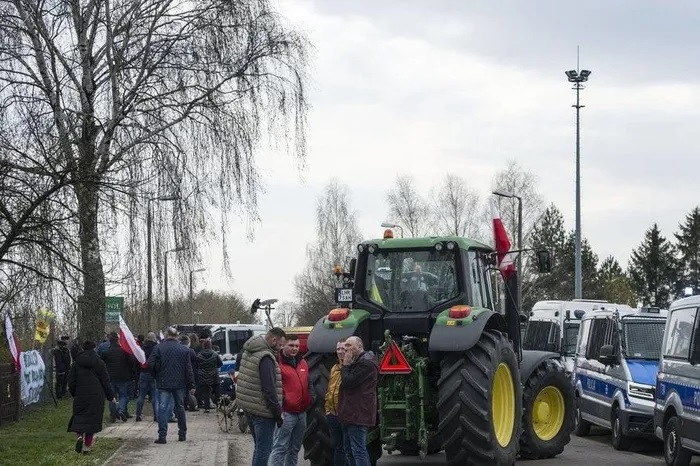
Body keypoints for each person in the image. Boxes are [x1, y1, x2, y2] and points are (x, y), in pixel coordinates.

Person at [236, 327, 287, 466]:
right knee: (264, 449)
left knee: (259, 447)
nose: (281, 348)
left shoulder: (250, 349)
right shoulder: (266, 357)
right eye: (280, 345)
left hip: (249, 407)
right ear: (274, 340)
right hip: (262, 411)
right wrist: (278, 413)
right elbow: (269, 389)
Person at [269, 335, 315, 466]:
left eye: (296, 346)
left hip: (301, 414)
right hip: (286, 414)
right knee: (280, 448)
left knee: (294, 449)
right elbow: (272, 388)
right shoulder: (276, 364)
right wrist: (280, 409)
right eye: (291, 346)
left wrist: (311, 399)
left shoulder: (302, 362)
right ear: (283, 345)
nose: (294, 349)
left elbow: (309, 382)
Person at [148, 327, 195, 444]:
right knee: (180, 407)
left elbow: (150, 363)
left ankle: (162, 436)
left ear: (166, 335)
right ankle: (182, 434)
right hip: (179, 383)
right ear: (177, 336)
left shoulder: (158, 348)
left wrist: (156, 374)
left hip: (163, 382)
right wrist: (191, 384)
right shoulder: (184, 350)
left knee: (162, 408)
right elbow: (188, 369)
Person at [67, 340, 115, 454]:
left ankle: (79, 437)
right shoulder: (99, 362)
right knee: (92, 421)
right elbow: (105, 381)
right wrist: (110, 396)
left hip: (81, 393)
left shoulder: (77, 362)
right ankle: (87, 446)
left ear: (83, 349)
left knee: (79, 417)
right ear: (94, 348)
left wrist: (75, 393)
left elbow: (71, 381)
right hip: (96, 395)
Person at [338, 336, 378, 466]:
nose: (346, 349)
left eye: (349, 346)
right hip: (349, 414)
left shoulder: (366, 364)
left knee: (358, 450)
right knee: (349, 450)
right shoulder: (358, 362)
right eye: (345, 346)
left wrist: (346, 365)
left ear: (359, 346)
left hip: (358, 414)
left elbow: (348, 382)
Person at [100, 332, 137, 422]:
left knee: (112, 396)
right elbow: (132, 361)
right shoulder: (124, 352)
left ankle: (113, 415)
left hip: (110, 377)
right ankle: (121, 409)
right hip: (122, 377)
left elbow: (101, 363)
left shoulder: (106, 352)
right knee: (123, 395)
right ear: (117, 341)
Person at [325, 340, 347, 466]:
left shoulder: (351, 367)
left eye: (343, 349)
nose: (340, 352)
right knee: (338, 448)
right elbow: (329, 391)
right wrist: (328, 411)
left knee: (348, 448)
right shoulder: (334, 368)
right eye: (338, 349)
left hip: (346, 416)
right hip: (332, 415)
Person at [136, 332, 159, 422]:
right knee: (154, 395)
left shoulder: (142, 348)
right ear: (154, 338)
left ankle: (138, 414)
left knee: (141, 395)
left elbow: (138, 360)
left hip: (143, 373)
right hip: (153, 374)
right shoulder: (156, 348)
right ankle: (156, 415)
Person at [196, 339, 223, 412]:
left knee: (205, 393)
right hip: (214, 374)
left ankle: (206, 407)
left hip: (203, 375)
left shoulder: (199, 355)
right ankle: (219, 406)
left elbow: (196, 365)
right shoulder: (215, 354)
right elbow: (220, 364)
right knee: (217, 391)